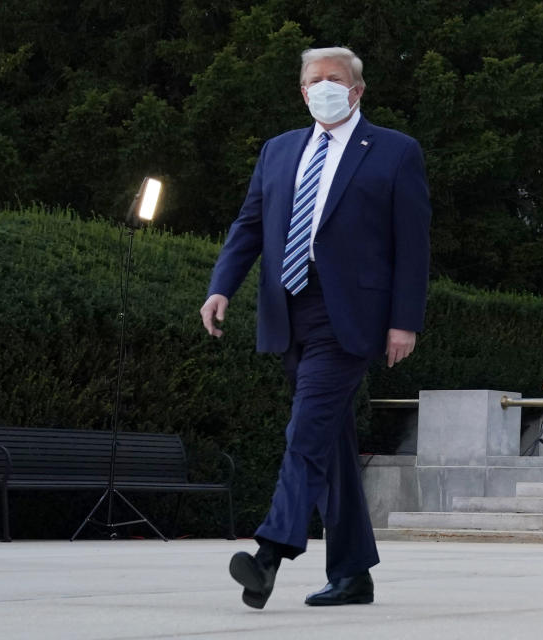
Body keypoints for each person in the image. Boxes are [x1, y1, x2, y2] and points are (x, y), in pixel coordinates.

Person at [200, 46, 431, 608]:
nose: (322, 87)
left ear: (356, 90)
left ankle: (269, 555)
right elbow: (250, 225)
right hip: (287, 311)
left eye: (334, 79)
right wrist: (220, 286)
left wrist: (405, 322)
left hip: (349, 319)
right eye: (312, 80)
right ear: (301, 91)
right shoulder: (279, 151)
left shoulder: (395, 151)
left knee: (306, 430)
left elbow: (413, 245)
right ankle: (353, 573)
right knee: (329, 443)